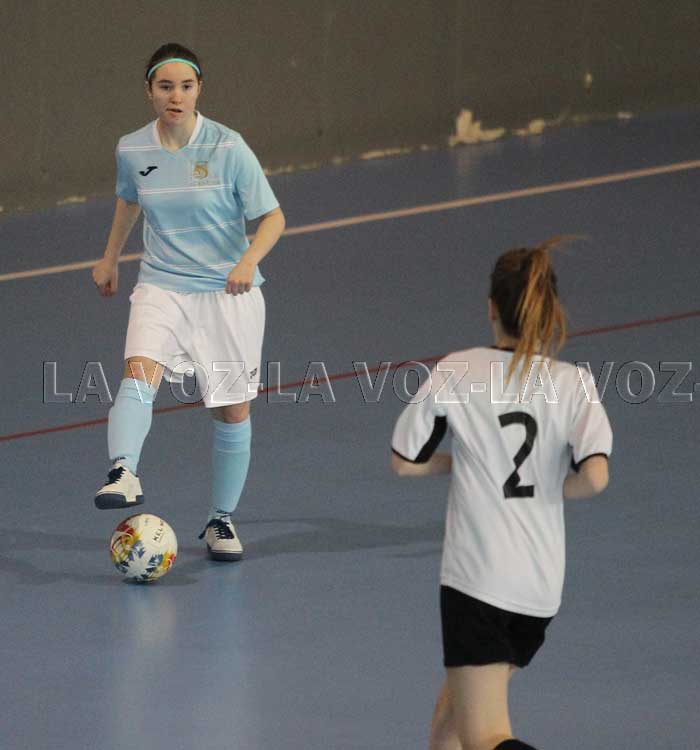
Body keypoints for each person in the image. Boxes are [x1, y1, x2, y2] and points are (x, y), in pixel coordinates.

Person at [390, 240, 612, 750]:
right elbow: (595, 477)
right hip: (539, 588)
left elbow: (405, 461)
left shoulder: (458, 370)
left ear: (491, 308)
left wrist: (460, 463)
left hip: (479, 582)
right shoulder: (573, 383)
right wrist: (551, 483)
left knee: (486, 738)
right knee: (451, 715)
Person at [92, 43, 285, 562]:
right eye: (165, 87)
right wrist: (110, 258)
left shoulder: (228, 147)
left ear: (199, 90)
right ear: (149, 91)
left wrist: (247, 261)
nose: (175, 96)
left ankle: (220, 519)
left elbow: (273, 217)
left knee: (231, 411)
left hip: (228, 294)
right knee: (138, 372)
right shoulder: (133, 148)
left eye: (186, 86)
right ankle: (123, 471)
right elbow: (129, 199)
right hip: (162, 285)